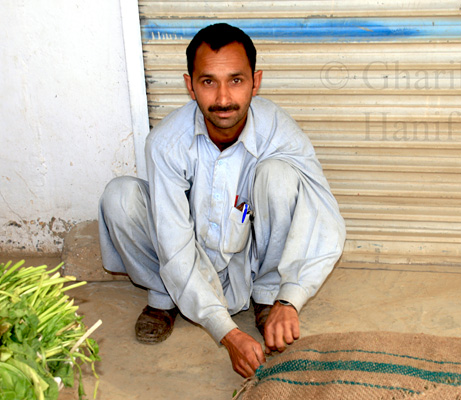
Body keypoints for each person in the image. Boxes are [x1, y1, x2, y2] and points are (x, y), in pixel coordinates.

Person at [98, 23, 346, 378]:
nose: (224, 98)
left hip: (247, 246)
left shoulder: (279, 129)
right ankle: (163, 297)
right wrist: (226, 332)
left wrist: (291, 296)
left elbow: (323, 215)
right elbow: (172, 240)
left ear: (255, 82)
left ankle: (268, 295)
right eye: (208, 82)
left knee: (280, 177)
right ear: (190, 86)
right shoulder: (166, 141)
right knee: (119, 196)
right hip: (187, 246)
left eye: (236, 80)